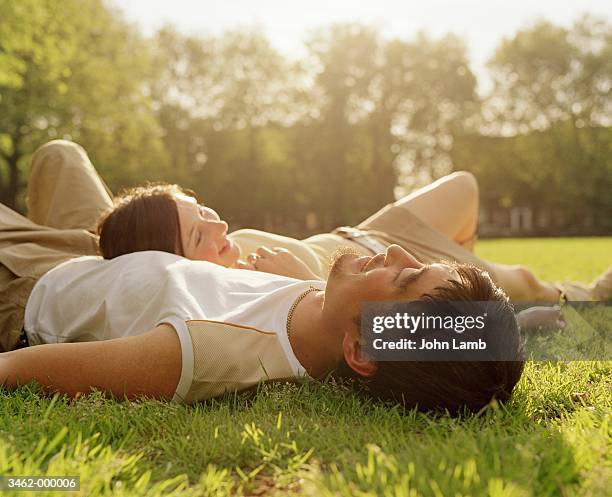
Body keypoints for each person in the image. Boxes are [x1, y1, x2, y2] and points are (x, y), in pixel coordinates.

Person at [2, 240, 524, 413]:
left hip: (26, 289)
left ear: (361, 350)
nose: (394, 251)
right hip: (87, 252)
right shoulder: (326, 311)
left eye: (405, 276)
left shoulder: (207, 351)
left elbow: (17, 368)